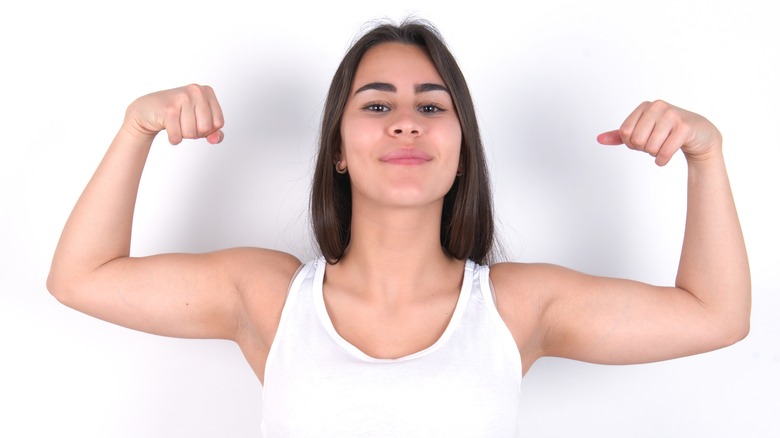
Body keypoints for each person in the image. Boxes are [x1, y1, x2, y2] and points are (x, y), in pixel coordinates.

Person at [47, 20, 750, 437]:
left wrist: (706, 157)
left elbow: (714, 316)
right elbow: (81, 278)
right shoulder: (267, 297)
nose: (407, 120)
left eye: (432, 107)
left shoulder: (515, 307)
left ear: (461, 150)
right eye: (377, 106)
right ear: (338, 149)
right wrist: (137, 126)